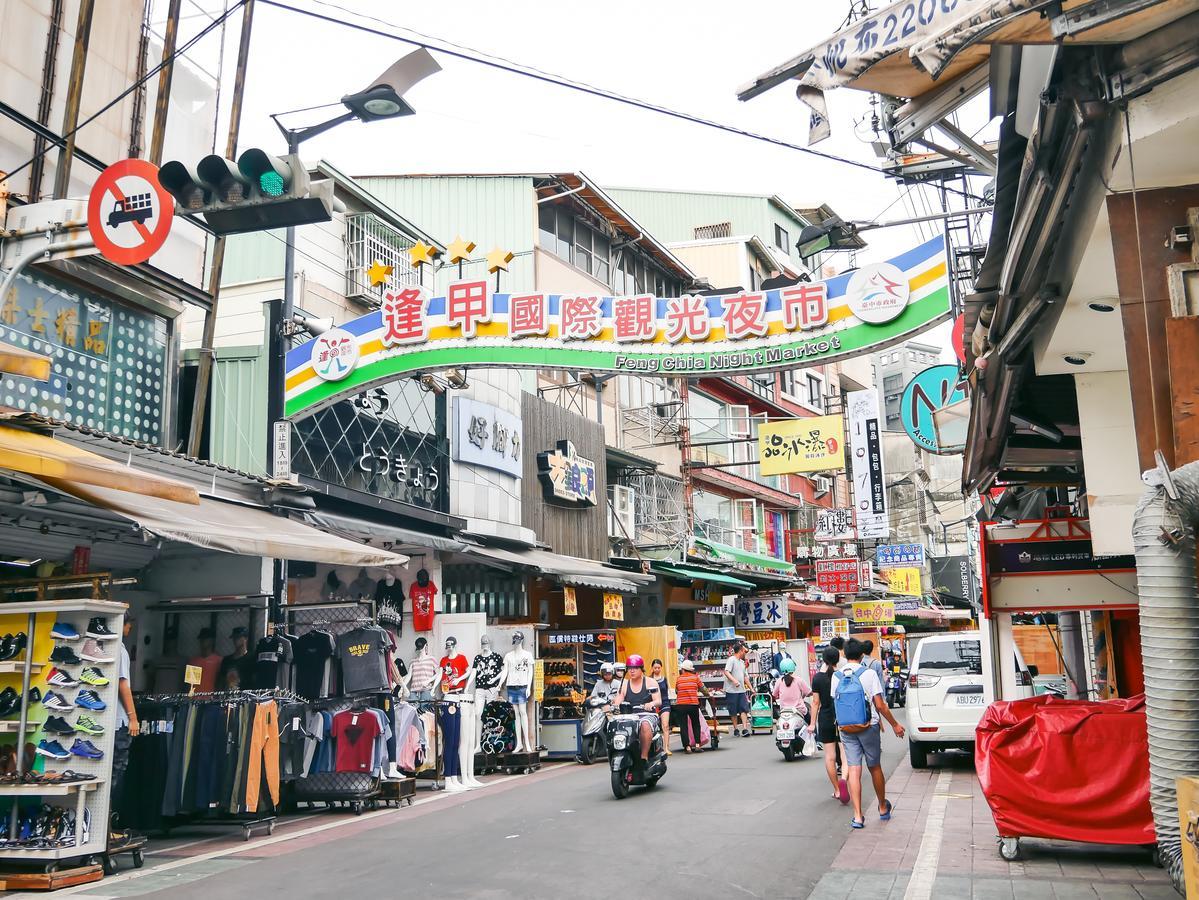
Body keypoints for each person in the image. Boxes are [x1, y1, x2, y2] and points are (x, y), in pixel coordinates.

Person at [833, 638, 906, 829]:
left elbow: (836, 702)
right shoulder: (869, 674)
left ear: (845, 654)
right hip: (869, 726)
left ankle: (858, 816)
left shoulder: (836, 676)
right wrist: (895, 724)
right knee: (874, 767)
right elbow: (880, 705)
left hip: (846, 729)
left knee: (854, 770)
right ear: (862, 655)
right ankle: (882, 806)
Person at [112, 615, 139, 838]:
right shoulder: (120, 650)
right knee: (118, 770)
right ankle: (111, 822)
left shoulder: (108, 647)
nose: (130, 629)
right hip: (119, 719)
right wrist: (133, 716)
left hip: (108, 720)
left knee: (112, 770)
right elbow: (123, 684)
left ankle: (107, 822)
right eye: (129, 625)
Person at [811, 646, 848, 803]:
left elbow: (815, 702)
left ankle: (837, 790)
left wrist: (812, 723)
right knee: (845, 756)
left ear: (824, 660)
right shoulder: (842, 676)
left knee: (830, 757)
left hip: (825, 719)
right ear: (838, 659)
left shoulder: (818, 678)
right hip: (842, 718)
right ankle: (844, 779)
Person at [613, 654, 661, 770]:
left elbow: (658, 701)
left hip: (648, 715)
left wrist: (651, 704)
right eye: (629, 668)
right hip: (630, 716)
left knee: (644, 725)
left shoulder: (650, 682)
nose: (632, 671)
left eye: (635, 668)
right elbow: (619, 698)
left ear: (641, 669)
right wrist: (614, 706)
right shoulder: (624, 684)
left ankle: (643, 757)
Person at [673, 660, 709, 753]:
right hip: (693, 704)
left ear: (683, 669)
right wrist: (708, 694)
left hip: (681, 705)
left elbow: (676, 691)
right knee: (696, 724)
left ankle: (687, 747)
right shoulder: (695, 678)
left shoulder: (678, 679)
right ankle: (697, 745)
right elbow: (703, 689)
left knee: (683, 726)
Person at [723, 641, 753, 737]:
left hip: (741, 690)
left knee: (743, 709)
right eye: (744, 651)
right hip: (731, 690)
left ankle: (744, 729)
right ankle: (736, 728)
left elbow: (745, 677)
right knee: (733, 710)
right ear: (740, 651)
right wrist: (734, 681)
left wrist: (751, 688)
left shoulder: (742, 663)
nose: (745, 653)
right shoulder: (731, 660)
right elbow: (726, 672)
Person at [187, 627, 223, 693]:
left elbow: (220, 683)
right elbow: (191, 685)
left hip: (211, 699)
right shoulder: (194, 661)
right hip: (196, 699)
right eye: (201, 639)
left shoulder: (218, 660)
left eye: (206, 638)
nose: (203, 641)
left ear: (212, 640)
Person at [649, 658, 672, 757]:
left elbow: (667, 691)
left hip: (664, 703)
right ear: (652, 668)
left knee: (665, 726)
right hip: (653, 704)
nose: (657, 669)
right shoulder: (649, 680)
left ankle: (666, 748)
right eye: (655, 668)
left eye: (658, 667)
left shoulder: (664, 679)